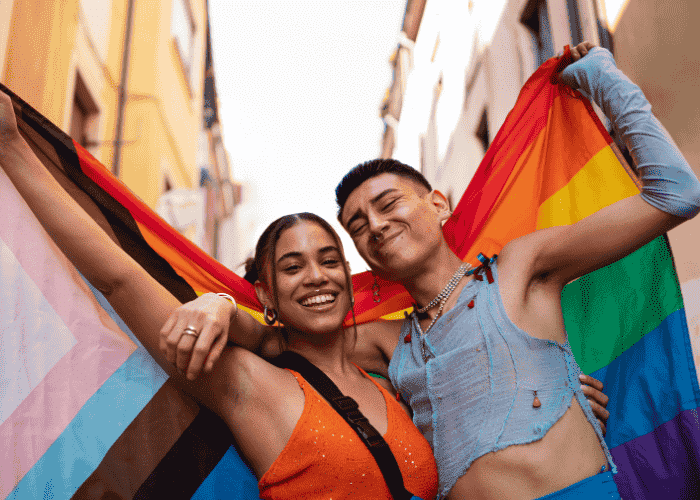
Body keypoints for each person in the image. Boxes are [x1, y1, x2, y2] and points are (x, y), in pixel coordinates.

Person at [166, 43, 631, 499]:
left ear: (438, 204)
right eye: (358, 225)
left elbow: (675, 197)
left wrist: (553, 389)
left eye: (388, 205)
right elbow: (276, 340)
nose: (377, 226)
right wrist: (218, 304)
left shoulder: (515, 269)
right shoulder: (390, 342)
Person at [0, 94, 440, 497]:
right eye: (292, 266)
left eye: (329, 261)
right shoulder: (247, 383)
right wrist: (12, 148)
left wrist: (225, 308)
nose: (316, 277)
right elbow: (121, 279)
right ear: (265, 295)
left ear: (348, 275)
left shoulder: (392, 366)